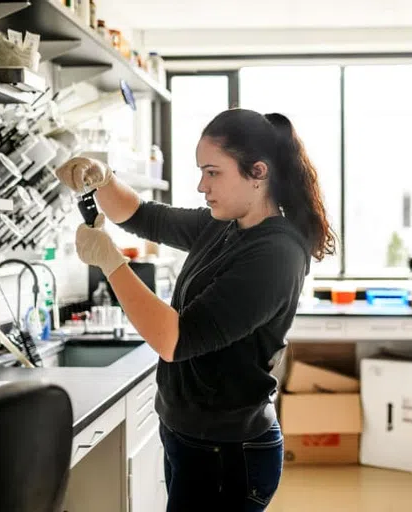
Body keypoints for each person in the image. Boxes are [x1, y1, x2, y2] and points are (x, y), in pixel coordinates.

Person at [54, 108, 335, 511]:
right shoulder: (225, 224)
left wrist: (111, 262)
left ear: (258, 173)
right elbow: (141, 215)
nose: (202, 185)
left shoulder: (275, 254)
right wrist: (104, 178)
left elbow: (176, 339)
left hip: (227, 454)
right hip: (191, 438)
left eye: (213, 172)